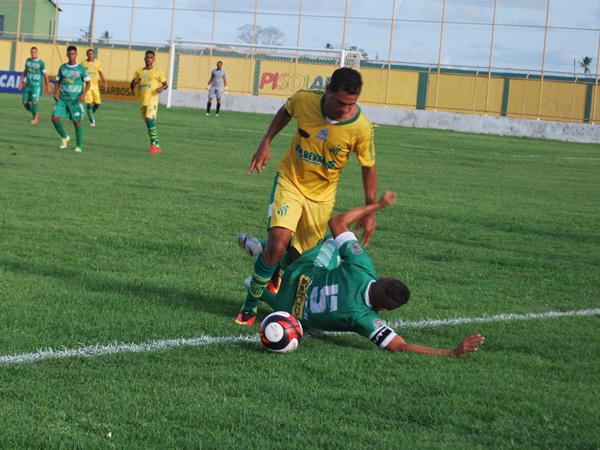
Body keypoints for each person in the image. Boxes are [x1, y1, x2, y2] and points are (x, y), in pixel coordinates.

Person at [256, 190, 486, 357]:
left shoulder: (362, 267)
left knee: (332, 242)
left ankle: (273, 252)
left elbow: (337, 222)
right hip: (287, 312)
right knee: (255, 286)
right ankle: (257, 284)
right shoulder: (364, 319)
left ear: (382, 278)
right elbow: (400, 347)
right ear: (383, 309)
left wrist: (377, 206)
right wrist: (452, 352)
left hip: (299, 272)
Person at [236, 67, 378, 326]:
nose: (346, 109)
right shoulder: (305, 99)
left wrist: (370, 211)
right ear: (328, 91)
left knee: (297, 259)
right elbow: (285, 111)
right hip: (290, 180)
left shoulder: (361, 127)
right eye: (341, 103)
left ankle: (271, 258)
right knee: (279, 244)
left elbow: (368, 167)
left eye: (352, 104)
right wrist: (265, 142)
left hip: (321, 198)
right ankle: (250, 305)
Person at [52, 45, 90, 153]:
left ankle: (79, 146)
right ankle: (64, 137)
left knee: (76, 122)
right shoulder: (63, 67)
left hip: (75, 100)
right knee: (54, 117)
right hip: (63, 99)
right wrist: (56, 91)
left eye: (73, 54)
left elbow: (88, 83)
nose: (71, 56)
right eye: (69, 54)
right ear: (67, 54)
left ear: (76, 54)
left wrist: (84, 94)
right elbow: (58, 81)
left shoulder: (81, 68)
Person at [130, 50, 168, 154]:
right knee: (149, 124)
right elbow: (132, 86)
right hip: (142, 101)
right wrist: (134, 81)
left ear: (154, 59)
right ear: (144, 58)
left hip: (152, 100)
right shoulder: (138, 71)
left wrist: (161, 88)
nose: (148, 59)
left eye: (151, 57)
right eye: (147, 57)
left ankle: (152, 146)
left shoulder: (158, 71)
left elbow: (166, 84)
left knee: (149, 119)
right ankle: (157, 145)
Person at [19, 46, 51, 124]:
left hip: (35, 86)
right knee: (25, 102)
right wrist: (21, 81)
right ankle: (35, 112)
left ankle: (35, 118)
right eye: (31, 52)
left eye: (34, 52)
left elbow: (45, 75)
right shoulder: (28, 61)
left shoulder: (41, 63)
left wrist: (48, 85)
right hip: (28, 86)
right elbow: (25, 71)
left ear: (37, 52)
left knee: (34, 102)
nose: (33, 53)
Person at [81, 48, 108, 126]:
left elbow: (101, 73)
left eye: (91, 53)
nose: (90, 55)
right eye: (89, 54)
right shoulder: (83, 63)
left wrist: (105, 83)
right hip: (87, 86)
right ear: (87, 55)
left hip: (95, 86)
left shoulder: (97, 63)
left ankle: (90, 113)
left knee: (97, 103)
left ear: (93, 54)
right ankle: (91, 120)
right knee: (89, 103)